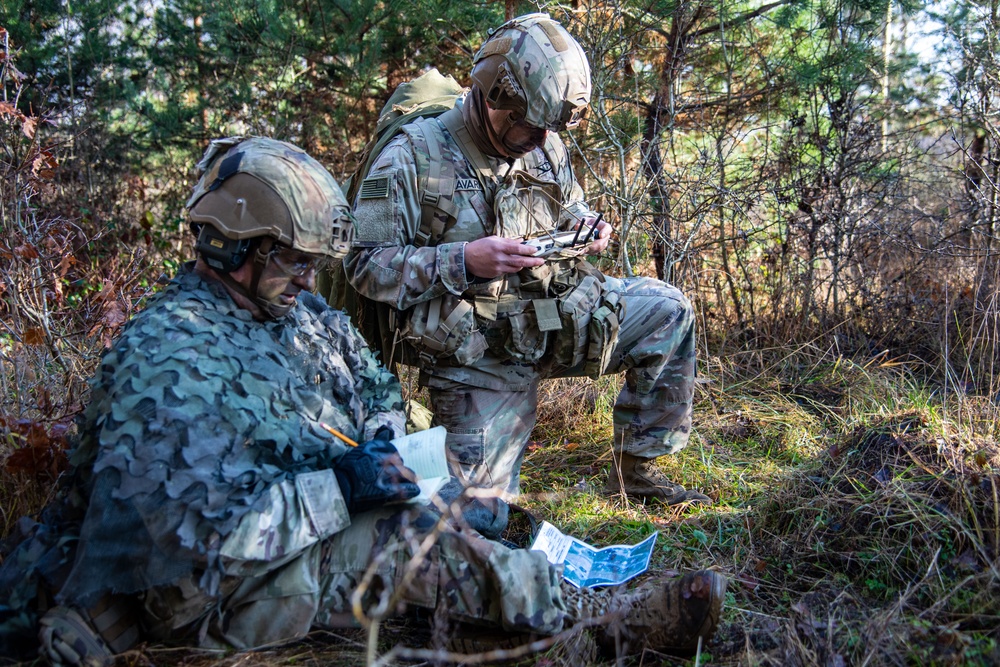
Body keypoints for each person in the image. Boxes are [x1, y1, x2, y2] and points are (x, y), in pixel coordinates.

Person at [0, 137, 725, 664]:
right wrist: (344, 490)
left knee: (477, 511)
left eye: (313, 263)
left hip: (301, 523)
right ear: (230, 248)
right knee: (405, 547)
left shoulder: (291, 311)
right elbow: (193, 543)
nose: (310, 281)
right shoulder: (168, 359)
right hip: (205, 591)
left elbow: (371, 381)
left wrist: (384, 446)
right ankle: (602, 624)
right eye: (293, 260)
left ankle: (558, 633)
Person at [345, 13, 710, 506]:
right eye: (529, 125)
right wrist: (464, 261)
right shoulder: (410, 157)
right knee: (483, 514)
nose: (541, 139)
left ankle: (637, 474)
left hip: (557, 319)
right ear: (494, 95)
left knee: (669, 310)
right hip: (479, 356)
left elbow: (569, 202)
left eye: (549, 128)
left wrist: (589, 228)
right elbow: (365, 265)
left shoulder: (544, 143)